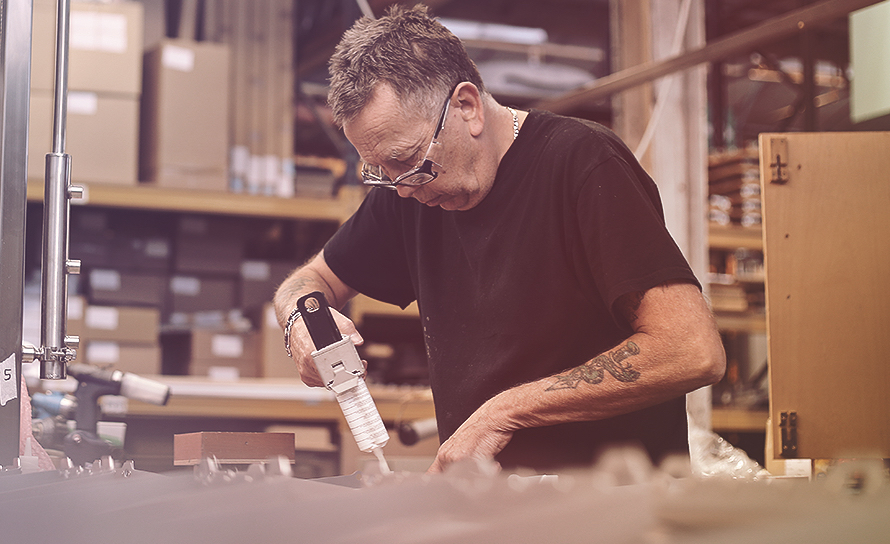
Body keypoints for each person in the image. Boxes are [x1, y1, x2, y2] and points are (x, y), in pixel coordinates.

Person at [274, 4, 725, 474]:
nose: (403, 186)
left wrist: (504, 412)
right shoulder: (406, 191)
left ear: (467, 107)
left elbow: (691, 349)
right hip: (488, 510)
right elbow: (310, 280)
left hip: (612, 511)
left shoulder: (583, 164)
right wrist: (299, 323)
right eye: (381, 170)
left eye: (409, 161)